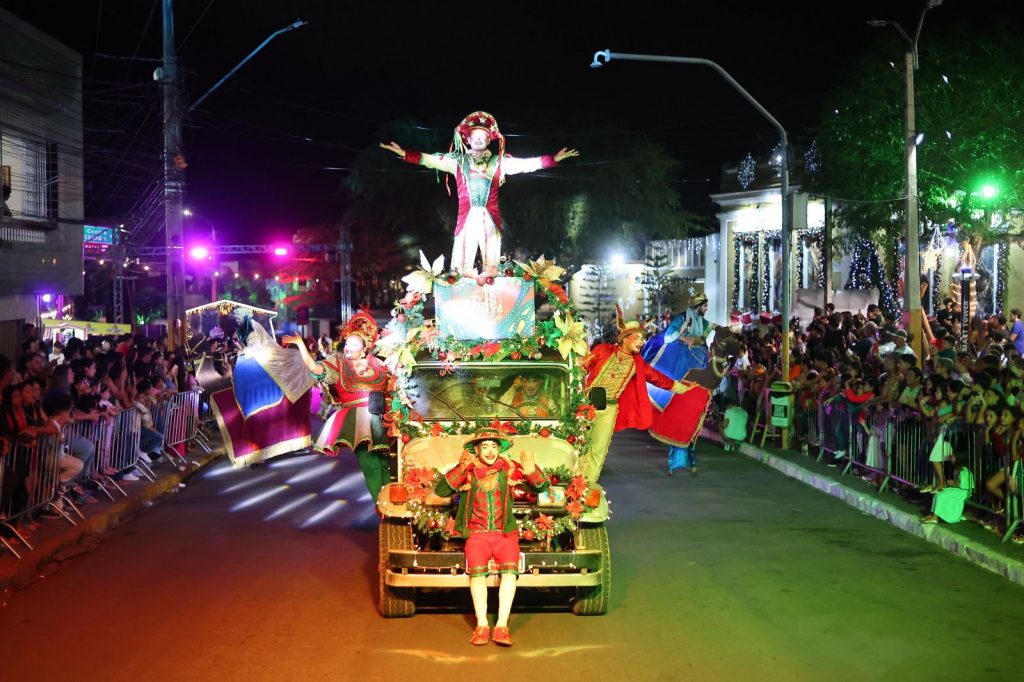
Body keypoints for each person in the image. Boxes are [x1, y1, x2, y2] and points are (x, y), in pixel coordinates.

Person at [380, 111, 579, 274]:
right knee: (461, 263)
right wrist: (405, 153)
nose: (478, 139)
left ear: (488, 140)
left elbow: (527, 164)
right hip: (466, 218)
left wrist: (553, 159)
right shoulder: (457, 161)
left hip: (490, 217)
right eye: (474, 136)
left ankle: (490, 283)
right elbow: (429, 160)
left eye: (482, 136)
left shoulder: (498, 162)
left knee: (491, 262)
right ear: (467, 139)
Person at [432, 426, 548, 647]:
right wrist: (460, 468)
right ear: (476, 449)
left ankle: (502, 626)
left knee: (510, 574)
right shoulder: (468, 470)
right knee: (477, 576)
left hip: (505, 535)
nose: (490, 451)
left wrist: (531, 471)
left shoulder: (508, 468)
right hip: (477, 535)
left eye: (494, 446)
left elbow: (541, 487)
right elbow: (441, 491)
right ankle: (482, 625)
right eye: (484, 447)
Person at [285, 310, 392, 502]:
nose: (348, 348)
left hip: (382, 419)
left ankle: (389, 506)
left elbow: (394, 383)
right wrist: (301, 345)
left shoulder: (378, 364)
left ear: (365, 349)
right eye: (347, 344)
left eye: (354, 345)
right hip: (358, 423)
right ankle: (383, 505)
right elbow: (315, 368)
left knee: (385, 465)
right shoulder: (339, 365)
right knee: (372, 466)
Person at [581, 306, 690, 482]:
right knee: (579, 445)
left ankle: (587, 485)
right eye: (637, 338)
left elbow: (657, 378)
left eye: (643, 339)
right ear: (624, 337)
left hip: (608, 410)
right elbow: (581, 367)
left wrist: (681, 387)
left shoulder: (637, 363)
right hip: (586, 405)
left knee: (598, 450)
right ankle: (574, 481)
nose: (641, 342)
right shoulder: (602, 350)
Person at [641, 288, 713, 474]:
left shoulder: (703, 323)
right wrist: (684, 338)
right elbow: (668, 336)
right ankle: (676, 460)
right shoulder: (682, 319)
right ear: (697, 306)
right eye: (704, 305)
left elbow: (708, 335)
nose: (707, 308)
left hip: (699, 361)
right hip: (680, 362)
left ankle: (691, 460)